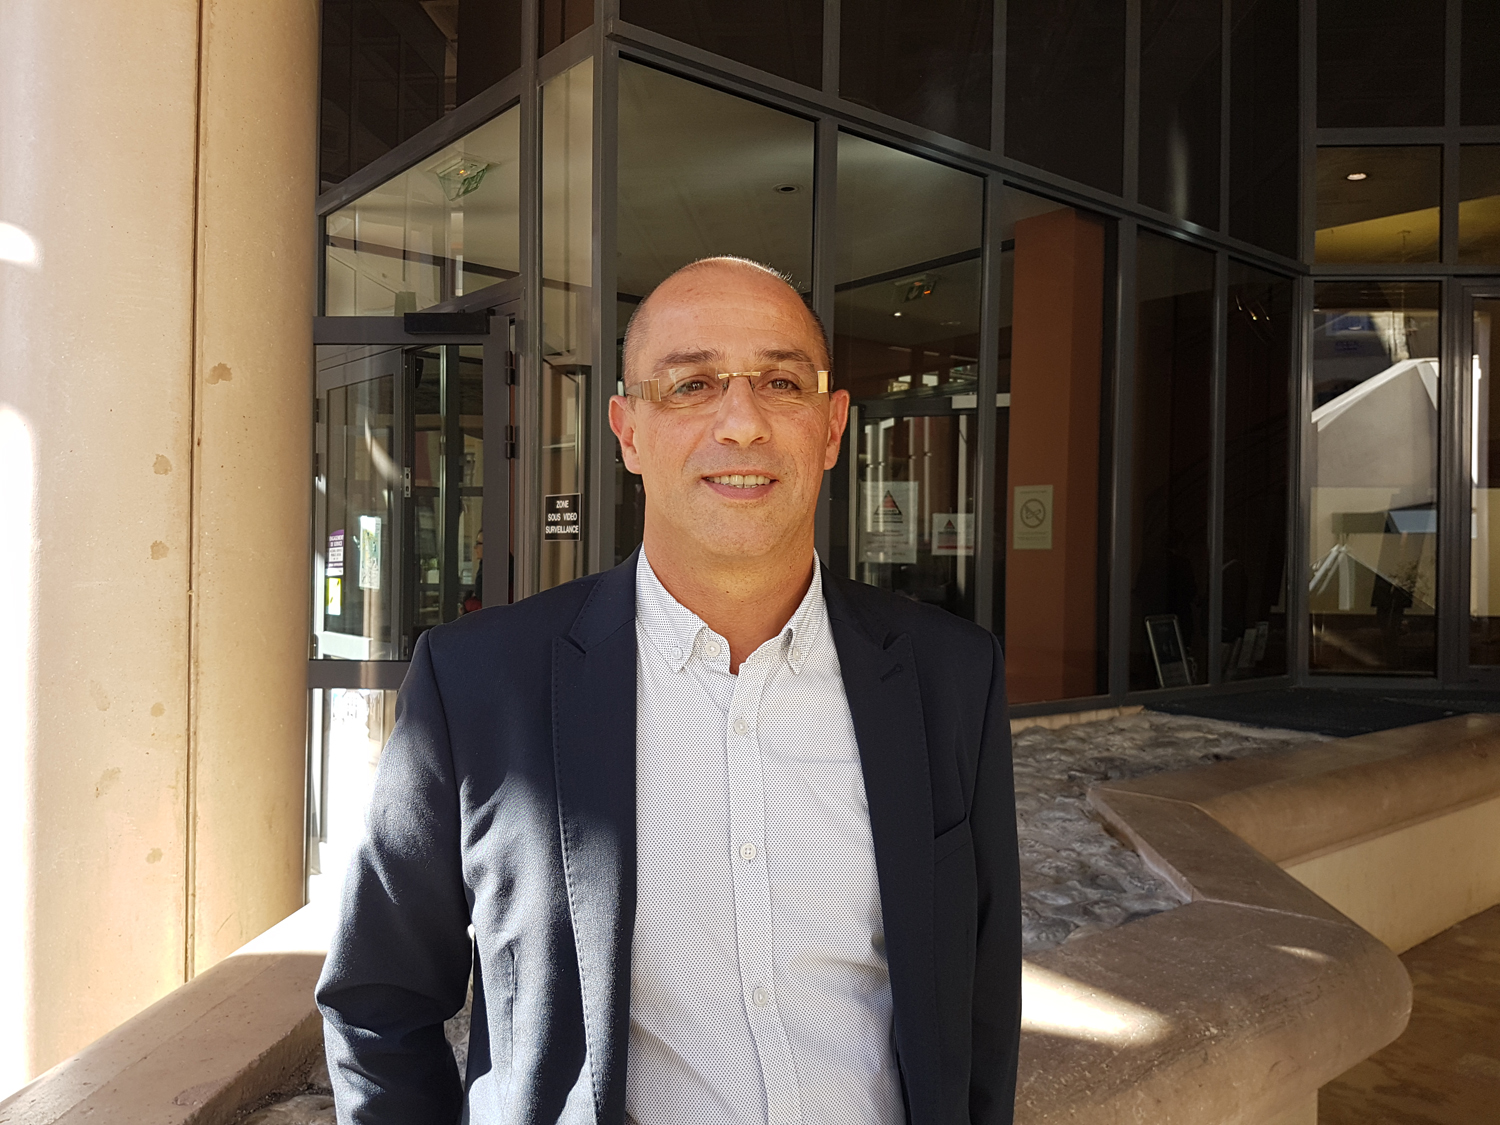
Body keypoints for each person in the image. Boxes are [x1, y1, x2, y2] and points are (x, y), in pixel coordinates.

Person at [316, 257, 1022, 1124]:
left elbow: (981, 1012)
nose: (743, 422)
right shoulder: (477, 684)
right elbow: (378, 1002)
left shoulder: (951, 677)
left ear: (833, 426)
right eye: (692, 384)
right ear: (628, 431)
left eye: (781, 383)